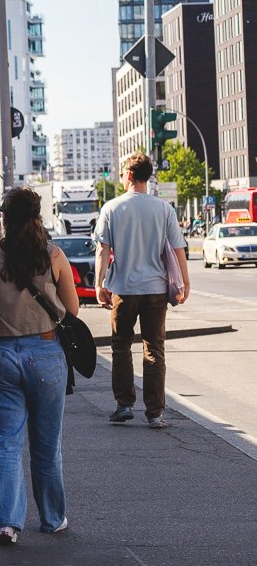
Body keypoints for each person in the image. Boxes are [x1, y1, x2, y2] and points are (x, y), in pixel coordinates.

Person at [0, 188, 81, 545]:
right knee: (47, 445)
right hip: (46, 353)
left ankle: (7, 523)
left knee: (4, 443)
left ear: (3, 216)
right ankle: (52, 518)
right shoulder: (53, 255)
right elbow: (73, 310)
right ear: (37, 216)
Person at [93, 152, 189, 428]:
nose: (122, 175)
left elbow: (103, 250)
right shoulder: (164, 209)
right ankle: (155, 412)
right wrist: (185, 282)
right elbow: (178, 249)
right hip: (156, 290)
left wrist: (100, 284)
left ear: (131, 175)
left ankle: (124, 404)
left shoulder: (112, 208)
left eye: (123, 171)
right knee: (154, 348)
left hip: (124, 289)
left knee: (121, 346)